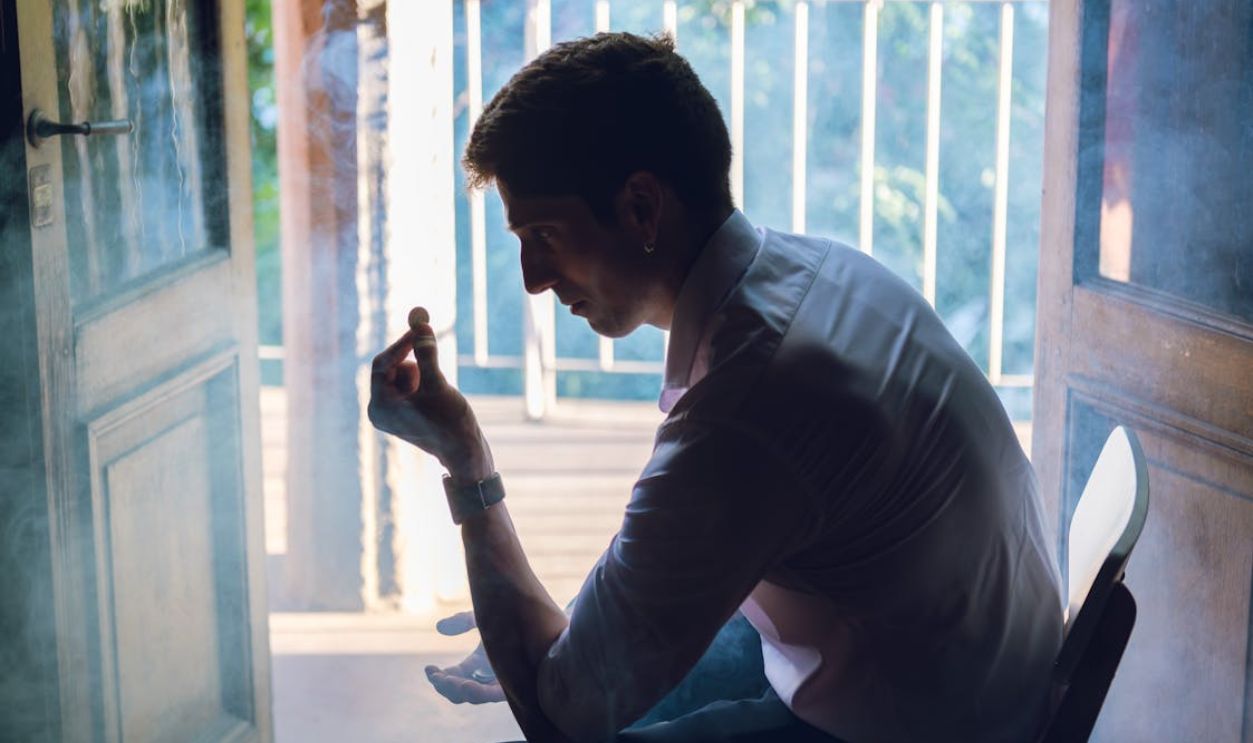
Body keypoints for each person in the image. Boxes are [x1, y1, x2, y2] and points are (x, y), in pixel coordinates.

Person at [369, 32, 1062, 743]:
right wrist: (564, 631)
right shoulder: (821, 270)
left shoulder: (746, 405)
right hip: (976, 672)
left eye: (543, 232)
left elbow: (560, 715)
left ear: (640, 207)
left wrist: (467, 462)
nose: (532, 278)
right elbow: (677, 559)